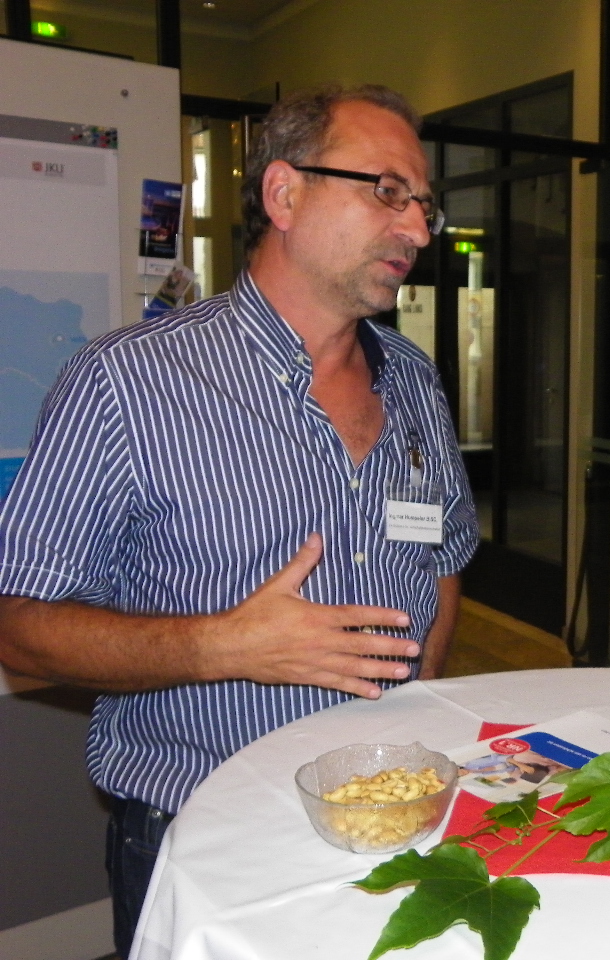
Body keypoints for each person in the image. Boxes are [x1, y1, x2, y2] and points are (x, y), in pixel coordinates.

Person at [0, 84, 478, 957]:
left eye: (423, 204)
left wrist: (411, 724)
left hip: (385, 824)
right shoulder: (128, 383)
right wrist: (222, 646)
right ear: (284, 194)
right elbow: (19, 629)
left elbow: (441, 563)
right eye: (387, 191)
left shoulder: (414, 381)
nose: (415, 228)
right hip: (202, 832)